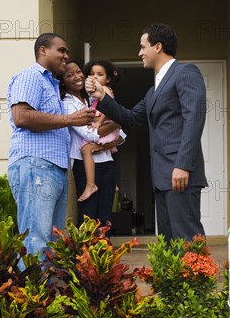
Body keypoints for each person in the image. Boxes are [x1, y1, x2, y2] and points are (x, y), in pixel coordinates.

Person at [86, 23, 207, 243]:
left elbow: (194, 119)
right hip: (161, 178)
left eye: (143, 47)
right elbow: (130, 118)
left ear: (158, 46)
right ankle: (172, 280)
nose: (140, 52)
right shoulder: (153, 92)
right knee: (169, 243)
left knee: (187, 239)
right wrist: (102, 97)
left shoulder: (186, 72)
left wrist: (183, 165)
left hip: (180, 173)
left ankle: (192, 279)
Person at [7, 33, 96, 260]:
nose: (66, 56)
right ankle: (31, 295)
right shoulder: (31, 77)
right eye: (62, 50)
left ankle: (45, 295)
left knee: (52, 243)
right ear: (43, 51)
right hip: (36, 165)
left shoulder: (53, 86)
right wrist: (70, 120)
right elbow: (22, 117)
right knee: (36, 239)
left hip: (53, 168)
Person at [60, 60, 121, 227]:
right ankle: (86, 253)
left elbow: (121, 136)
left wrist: (115, 128)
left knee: (105, 215)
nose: (77, 77)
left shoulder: (94, 95)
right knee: (88, 214)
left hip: (107, 162)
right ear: (63, 81)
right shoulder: (67, 104)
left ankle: (103, 252)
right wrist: (117, 123)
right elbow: (91, 134)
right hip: (84, 164)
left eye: (78, 71)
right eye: (69, 75)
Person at [78, 60, 125, 202]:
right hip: (108, 128)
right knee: (106, 151)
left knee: (86, 150)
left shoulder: (105, 89)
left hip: (108, 126)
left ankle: (90, 185)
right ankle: (114, 184)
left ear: (108, 78)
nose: (95, 77)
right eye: (92, 74)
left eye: (99, 74)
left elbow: (110, 106)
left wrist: (98, 121)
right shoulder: (95, 92)